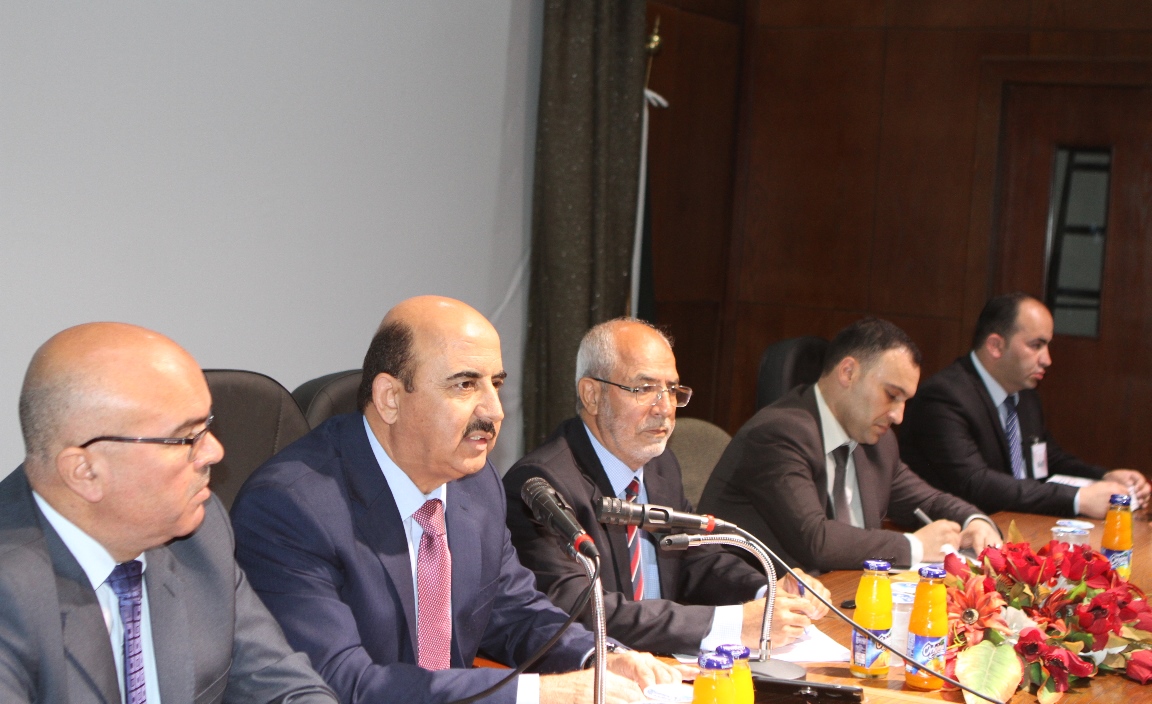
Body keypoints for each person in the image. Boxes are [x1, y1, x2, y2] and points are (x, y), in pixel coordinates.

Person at [232, 297, 679, 704]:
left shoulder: (475, 484)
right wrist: (537, 695)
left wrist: (599, 657)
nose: (494, 410)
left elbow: (515, 611)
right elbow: (341, 682)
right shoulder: (290, 507)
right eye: (465, 385)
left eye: (496, 384)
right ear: (390, 398)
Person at [0, 322, 336, 703]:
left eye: (207, 426)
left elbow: (285, 686)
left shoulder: (198, 531)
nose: (215, 452)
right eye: (185, 437)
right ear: (85, 471)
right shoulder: (12, 593)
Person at [504, 318, 830, 656]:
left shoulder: (660, 466)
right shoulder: (539, 486)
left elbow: (696, 559)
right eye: (644, 389)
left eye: (672, 390)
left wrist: (768, 592)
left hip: (672, 662)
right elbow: (582, 610)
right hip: (603, 670)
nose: (665, 409)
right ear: (592, 395)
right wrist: (730, 626)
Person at [697, 318, 1002, 573]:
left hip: (844, 597)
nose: (898, 416)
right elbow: (815, 541)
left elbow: (928, 501)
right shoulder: (778, 434)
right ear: (848, 373)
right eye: (891, 395)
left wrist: (974, 521)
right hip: (758, 605)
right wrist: (916, 546)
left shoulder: (877, 442)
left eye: (905, 401)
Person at [900, 292, 1151, 517]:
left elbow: (1047, 459)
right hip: (956, 534)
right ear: (996, 346)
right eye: (1036, 345)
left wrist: (1103, 477)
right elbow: (975, 482)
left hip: (1020, 524)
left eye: (1047, 345)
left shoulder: (1024, 394)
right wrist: (1077, 499)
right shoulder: (944, 397)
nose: (1047, 360)